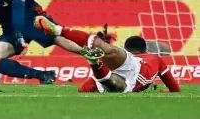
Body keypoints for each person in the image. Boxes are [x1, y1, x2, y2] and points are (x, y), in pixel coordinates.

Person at [34, 16, 181, 93]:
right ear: (145, 50)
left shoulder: (127, 55)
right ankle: (95, 64)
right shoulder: (154, 58)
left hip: (121, 63)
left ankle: (60, 30)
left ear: (127, 49)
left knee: (105, 48)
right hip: (135, 72)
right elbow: (175, 88)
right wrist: (169, 90)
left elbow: (82, 89)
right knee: (119, 87)